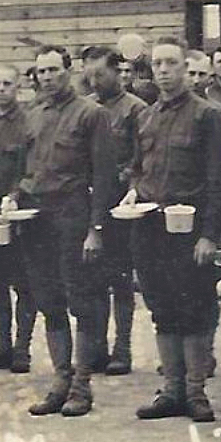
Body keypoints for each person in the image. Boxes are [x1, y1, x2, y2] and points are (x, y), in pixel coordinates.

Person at [8, 43, 119, 417]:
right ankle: (60, 380)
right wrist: (13, 198)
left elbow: (104, 177)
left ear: (69, 71)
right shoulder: (33, 114)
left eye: (55, 70)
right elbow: (24, 170)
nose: (48, 77)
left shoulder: (92, 115)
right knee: (48, 302)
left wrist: (96, 229)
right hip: (37, 220)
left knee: (81, 301)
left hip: (73, 217)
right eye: (42, 72)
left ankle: (82, 385)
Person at [127, 38, 221, 423]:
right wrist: (131, 194)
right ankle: (171, 390)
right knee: (163, 311)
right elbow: (138, 169)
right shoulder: (146, 116)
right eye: (158, 63)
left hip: (189, 233)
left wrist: (210, 235)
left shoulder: (210, 116)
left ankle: (195, 392)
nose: (164, 70)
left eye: (172, 63)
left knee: (197, 310)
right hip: (150, 229)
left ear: (186, 69)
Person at [83, 45, 146, 375]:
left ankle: (122, 349)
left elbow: (141, 158)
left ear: (118, 71)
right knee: (92, 279)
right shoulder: (85, 109)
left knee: (120, 280)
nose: (95, 81)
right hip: (88, 204)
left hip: (121, 207)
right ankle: (96, 347)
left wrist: (121, 182)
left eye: (101, 74)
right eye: (89, 75)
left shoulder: (135, 109)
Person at [0, 65, 36, 373]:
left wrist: (16, 195)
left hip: (23, 214)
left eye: (7, 84)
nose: (1, 89)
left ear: (18, 87)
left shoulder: (29, 124)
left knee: (24, 284)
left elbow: (32, 168)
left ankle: (21, 348)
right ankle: (2, 345)